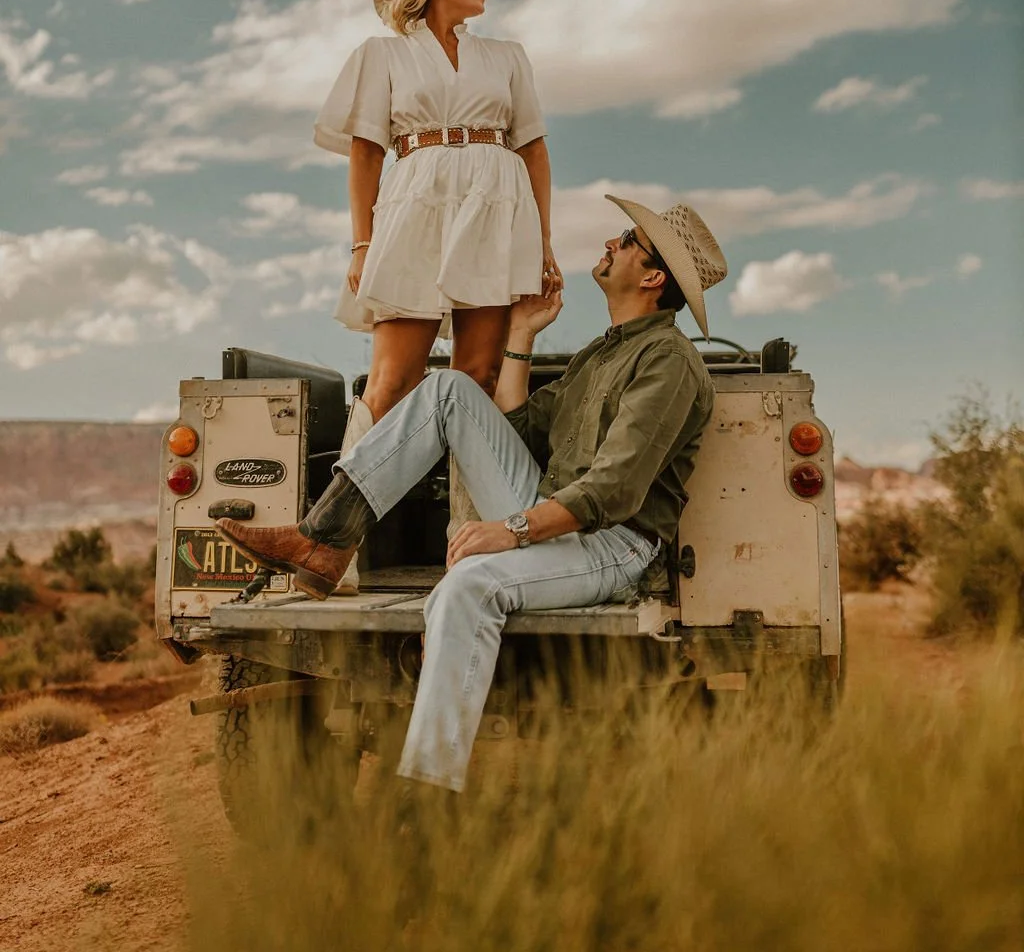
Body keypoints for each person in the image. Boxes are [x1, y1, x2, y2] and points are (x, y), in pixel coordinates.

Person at [217, 194, 726, 794]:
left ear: (651, 276)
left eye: (627, 240)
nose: (611, 243)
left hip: (612, 544)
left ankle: (426, 792)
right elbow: (514, 430)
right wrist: (521, 335)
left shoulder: (667, 361)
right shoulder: (602, 354)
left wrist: (507, 531)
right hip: (550, 510)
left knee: (466, 584)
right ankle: (324, 542)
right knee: (451, 390)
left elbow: (613, 490)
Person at [313, 0, 563, 583]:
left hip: (494, 209)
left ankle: (470, 553)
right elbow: (367, 151)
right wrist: (363, 241)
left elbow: (533, 148)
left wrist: (541, 241)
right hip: (415, 205)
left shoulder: (508, 57)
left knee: (476, 382)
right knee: (391, 382)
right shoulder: (383, 54)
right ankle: (337, 548)